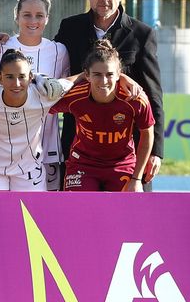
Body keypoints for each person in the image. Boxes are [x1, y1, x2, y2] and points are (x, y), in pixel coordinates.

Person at [0, 0, 163, 180]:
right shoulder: (71, 27)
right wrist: (6, 40)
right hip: (80, 149)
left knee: (128, 212)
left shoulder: (142, 34)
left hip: (126, 152)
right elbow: (41, 50)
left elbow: (153, 94)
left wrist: (156, 151)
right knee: (75, 211)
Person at [0, 0, 71, 190]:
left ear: (47, 19)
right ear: (16, 17)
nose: (33, 21)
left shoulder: (59, 51)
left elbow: (65, 88)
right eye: (27, 15)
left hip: (45, 146)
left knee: (42, 212)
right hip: (3, 150)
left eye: (39, 15)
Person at [49, 40, 155, 192]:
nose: (104, 81)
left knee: (125, 213)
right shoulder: (75, 96)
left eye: (109, 74)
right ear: (87, 75)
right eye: (97, 74)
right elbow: (41, 106)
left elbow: (147, 133)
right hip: (82, 164)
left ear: (119, 74)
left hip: (122, 165)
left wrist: (137, 179)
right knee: (78, 212)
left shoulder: (135, 99)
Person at [0, 50, 71, 191]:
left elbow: (71, 81)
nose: (16, 84)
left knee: (34, 213)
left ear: (30, 77)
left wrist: (84, 74)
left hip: (29, 169)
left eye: (22, 77)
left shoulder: (44, 95)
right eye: (9, 77)